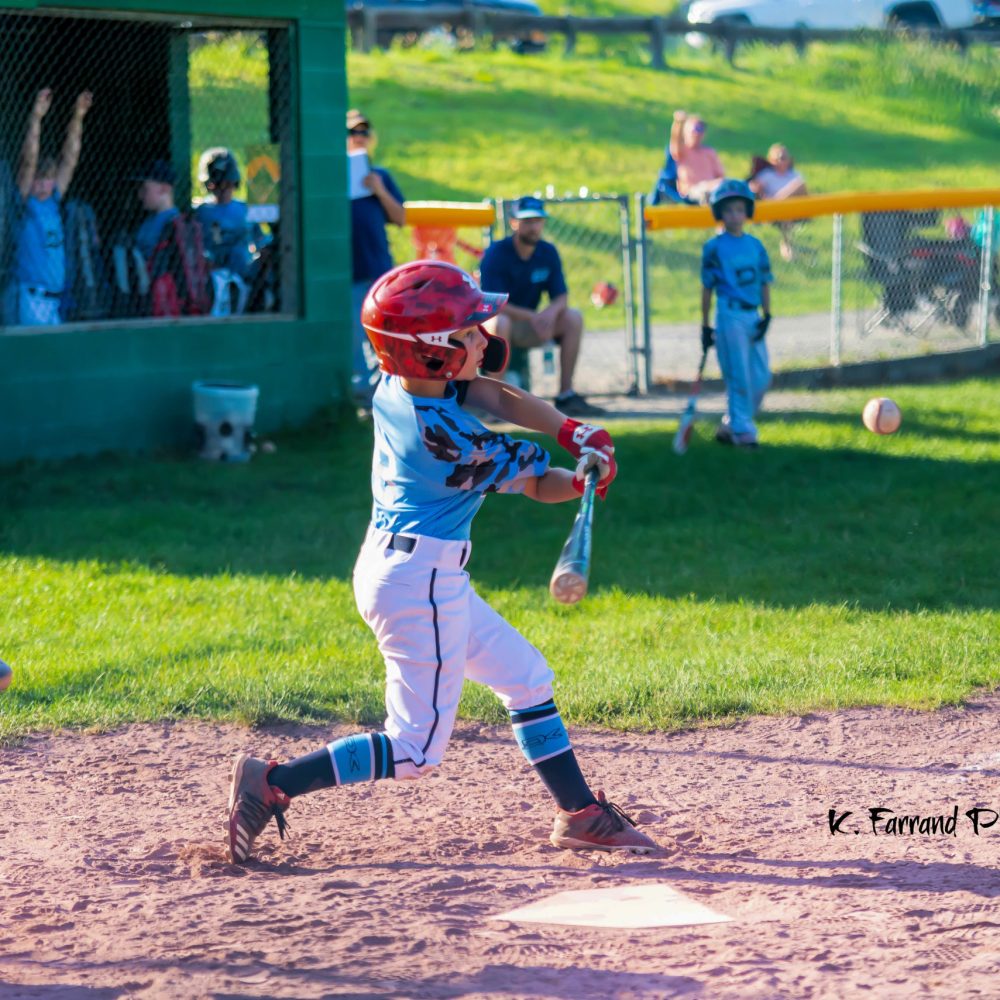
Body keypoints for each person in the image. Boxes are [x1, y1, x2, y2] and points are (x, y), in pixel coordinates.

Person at [225, 259, 660, 864]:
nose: (484, 337)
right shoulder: (452, 442)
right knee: (414, 750)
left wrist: (571, 431)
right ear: (431, 353)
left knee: (526, 677)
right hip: (419, 583)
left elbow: (488, 390)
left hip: (410, 570)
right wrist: (587, 475)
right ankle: (273, 782)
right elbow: (539, 484)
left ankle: (580, 814)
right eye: (467, 332)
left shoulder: (397, 384)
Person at [479, 196, 604, 417]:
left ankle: (566, 395)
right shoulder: (496, 253)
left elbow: (561, 296)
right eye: (527, 221)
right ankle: (493, 402)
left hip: (530, 325)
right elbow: (493, 303)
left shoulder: (547, 252)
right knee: (501, 322)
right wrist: (534, 316)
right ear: (514, 223)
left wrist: (550, 314)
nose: (533, 227)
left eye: (537, 221)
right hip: (496, 327)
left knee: (573, 317)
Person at [700, 180, 773, 449]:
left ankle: (730, 424)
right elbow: (707, 288)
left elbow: (764, 282)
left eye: (740, 209)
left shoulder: (756, 245)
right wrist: (705, 325)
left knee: (762, 377)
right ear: (719, 213)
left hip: (752, 315)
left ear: (747, 211)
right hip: (729, 316)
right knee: (738, 376)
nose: (734, 215)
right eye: (728, 210)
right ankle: (743, 433)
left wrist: (767, 314)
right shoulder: (714, 247)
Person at [11, 87, 93, 326]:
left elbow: (70, 158)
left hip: (57, 299)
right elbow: (28, 160)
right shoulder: (25, 204)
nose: (42, 184)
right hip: (32, 297)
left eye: (47, 178)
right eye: (38, 179)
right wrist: (36, 118)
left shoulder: (54, 200)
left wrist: (78, 117)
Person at [347, 109, 406, 409]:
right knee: (355, 338)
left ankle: (389, 395)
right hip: (348, 272)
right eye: (352, 132)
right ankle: (364, 399)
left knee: (385, 335)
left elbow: (401, 217)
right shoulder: (330, 177)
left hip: (378, 270)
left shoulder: (379, 175)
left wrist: (379, 190)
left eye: (363, 133)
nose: (359, 138)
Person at [195, 148, 252, 315]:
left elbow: (259, 242)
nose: (222, 190)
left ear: (235, 183)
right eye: (216, 185)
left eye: (228, 184)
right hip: (211, 277)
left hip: (243, 274)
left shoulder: (245, 210)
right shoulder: (200, 212)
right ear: (208, 186)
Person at [749, 144, 808, 262]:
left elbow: (804, 193)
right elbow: (754, 189)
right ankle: (787, 246)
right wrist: (757, 190)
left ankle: (788, 246)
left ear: (789, 160)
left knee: (800, 185)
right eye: (777, 159)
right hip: (772, 208)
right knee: (795, 190)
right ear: (771, 160)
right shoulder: (766, 175)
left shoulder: (795, 175)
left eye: (784, 158)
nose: (781, 161)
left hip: (793, 206)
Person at [669, 111, 725, 204]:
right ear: (685, 132)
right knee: (706, 192)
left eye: (700, 130)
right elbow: (676, 140)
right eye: (694, 129)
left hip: (711, 187)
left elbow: (720, 175)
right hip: (691, 191)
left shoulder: (709, 152)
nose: (697, 134)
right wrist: (679, 123)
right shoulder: (682, 151)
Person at [134, 159, 179, 263]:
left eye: (144, 189)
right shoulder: (148, 220)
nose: (140, 195)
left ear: (165, 188)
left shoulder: (175, 223)